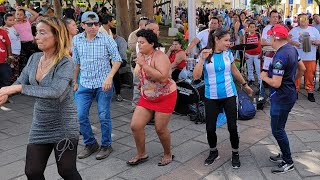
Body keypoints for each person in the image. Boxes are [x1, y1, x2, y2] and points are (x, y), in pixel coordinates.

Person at [0, 17, 82, 179]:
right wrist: (6, 93)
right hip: (41, 124)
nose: (36, 36)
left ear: (57, 36)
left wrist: (18, 88)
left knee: (66, 171)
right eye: (36, 32)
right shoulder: (35, 58)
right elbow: (20, 80)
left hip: (64, 124)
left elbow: (55, 91)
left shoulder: (66, 63)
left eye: (42, 32)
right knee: (32, 171)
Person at [193, 29, 253, 168]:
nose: (229, 43)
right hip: (211, 95)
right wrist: (202, 59)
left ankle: (235, 153)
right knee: (210, 128)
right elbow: (196, 77)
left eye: (229, 40)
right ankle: (213, 152)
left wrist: (245, 85)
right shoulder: (205, 53)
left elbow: (234, 70)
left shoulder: (228, 53)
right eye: (226, 40)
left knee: (232, 127)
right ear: (216, 39)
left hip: (229, 94)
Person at [73, 11, 122, 160]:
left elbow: (117, 60)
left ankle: (106, 145)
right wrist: (75, 81)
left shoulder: (107, 39)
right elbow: (77, 63)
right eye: (89, 24)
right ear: (82, 25)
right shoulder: (76, 40)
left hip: (103, 84)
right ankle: (90, 144)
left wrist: (110, 77)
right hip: (85, 84)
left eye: (96, 24)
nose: (93, 27)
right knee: (80, 115)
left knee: (103, 115)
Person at [127, 29, 177, 166]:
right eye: (138, 43)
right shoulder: (141, 55)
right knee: (135, 126)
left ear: (152, 44)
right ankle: (141, 154)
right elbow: (138, 74)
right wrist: (139, 67)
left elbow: (162, 77)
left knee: (160, 128)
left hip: (165, 96)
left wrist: (143, 64)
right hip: (147, 96)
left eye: (142, 43)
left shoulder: (160, 56)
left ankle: (168, 153)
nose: (139, 45)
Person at [260, 24, 305, 174]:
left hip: (281, 97)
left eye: (270, 36)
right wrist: (293, 82)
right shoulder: (292, 49)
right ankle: (284, 153)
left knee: (277, 130)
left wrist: (264, 76)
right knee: (281, 127)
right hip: (288, 94)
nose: (269, 39)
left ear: (275, 37)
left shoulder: (280, 55)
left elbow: (276, 83)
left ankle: (288, 161)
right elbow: (302, 69)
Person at [289, 13, 320, 102]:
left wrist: (314, 42)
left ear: (308, 20)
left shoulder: (314, 30)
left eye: (305, 19)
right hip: (297, 57)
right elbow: (287, 40)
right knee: (296, 75)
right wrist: (293, 43)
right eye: (301, 19)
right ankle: (295, 91)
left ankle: (310, 92)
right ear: (298, 20)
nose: (303, 21)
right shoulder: (293, 30)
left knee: (310, 76)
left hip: (310, 57)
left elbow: (319, 41)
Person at [128, 16, 148, 111]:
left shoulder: (147, 34)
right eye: (146, 25)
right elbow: (131, 48)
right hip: (136, 61)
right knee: (137, 84)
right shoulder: (134, 34)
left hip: (145, 62)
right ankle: (135, 105)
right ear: (141, 25)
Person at [13, 6, 39, 73]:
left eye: (21, 14)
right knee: (23, 64)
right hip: (21, 45)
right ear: (15, 15)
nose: (19, 16)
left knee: (33, 62)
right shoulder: (13, 23)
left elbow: (36, 14)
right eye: (17, 14)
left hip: (31, 44)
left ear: (24, 15)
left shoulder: (28, 21)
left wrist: (25, 8)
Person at [110, 27, 128, 102]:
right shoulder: (108, 39)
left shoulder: (121, 40)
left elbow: (122, 54)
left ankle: (118, 93)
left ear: (114, 34)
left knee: (114, 68)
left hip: (121, 60)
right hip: (110, 60)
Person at [3, 13, 20, 83]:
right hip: (12, 52)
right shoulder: (4, 30)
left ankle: (15, 84)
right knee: (12, 69)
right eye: (10, 20)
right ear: (5, 21)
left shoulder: (13, 27)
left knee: (16, 69)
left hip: (17, 51)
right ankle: (12, 85)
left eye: (13, 20)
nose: (12, 21)